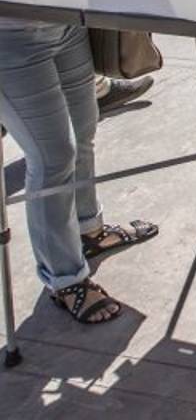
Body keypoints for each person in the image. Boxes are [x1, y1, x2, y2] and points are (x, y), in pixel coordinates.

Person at [0, 19, 158, 324]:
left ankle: (89, 231)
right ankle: (65, 280)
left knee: (83, 131)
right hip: (11, 39)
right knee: (53, 157)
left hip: (66, 23)